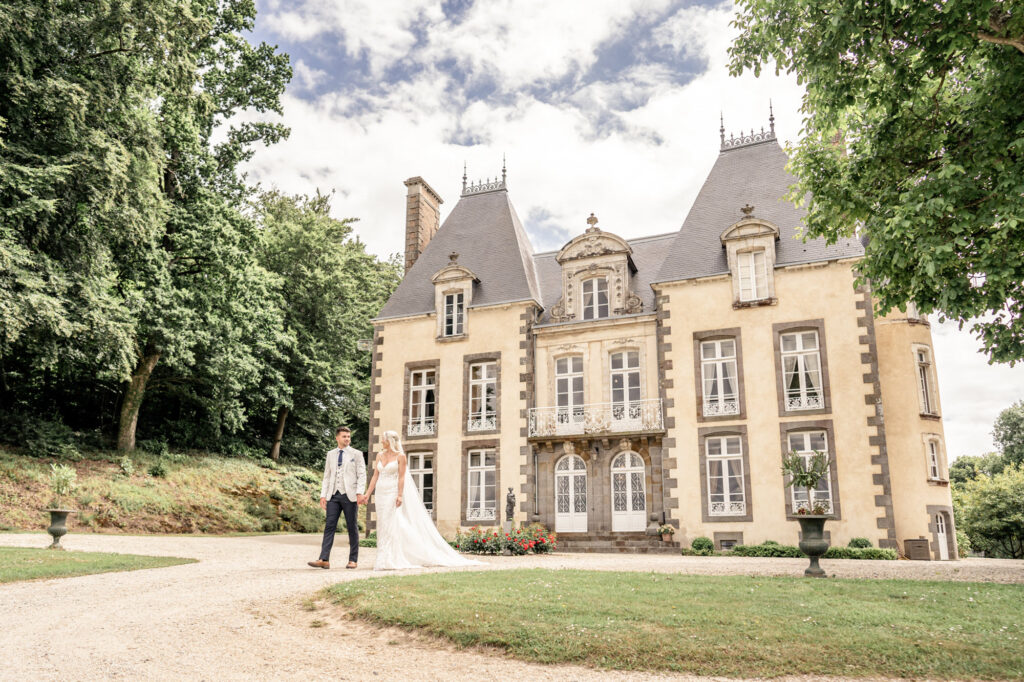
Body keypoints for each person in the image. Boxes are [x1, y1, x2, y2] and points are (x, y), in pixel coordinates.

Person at [359, 430, 482, 570]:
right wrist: (367, 494)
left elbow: (401, 477)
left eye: (383, 439)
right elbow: (375, 476)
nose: (381, 442)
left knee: (392, 523)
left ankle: (391, 558)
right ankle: (384, 557)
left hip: (392, 492)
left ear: (390, 441)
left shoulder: (401, 457)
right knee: (383, 524)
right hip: (381, 492)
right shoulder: (379, 455)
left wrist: (399, 495)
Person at [308, 426, 366, 569]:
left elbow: (362, 475)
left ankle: (353, 560)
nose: (347, 439)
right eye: (344, 436)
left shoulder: (356, 454)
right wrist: (323, 495)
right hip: (333, 495)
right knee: (329, 526)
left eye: (348, 436)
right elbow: (327, 476)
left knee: (352, 527)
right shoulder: (330, 454)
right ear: (337, 438)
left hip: (350, 495)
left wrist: (359, 492)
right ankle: (324, 559)